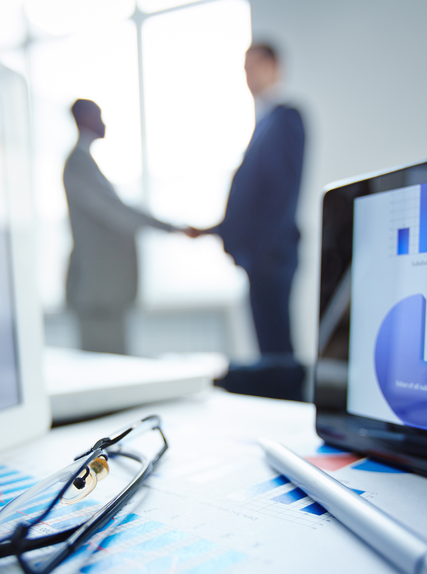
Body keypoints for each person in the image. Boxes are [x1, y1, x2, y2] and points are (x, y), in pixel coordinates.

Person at [190, 43, 305, 358]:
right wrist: (216, 230)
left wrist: (260, 250)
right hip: (261, 257)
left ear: (274, 67)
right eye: (244, 69)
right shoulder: (264, 124)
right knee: (268, 345)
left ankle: (288, 404)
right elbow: (251, 199)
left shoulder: (286, 118)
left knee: (277, 348)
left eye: (253, 67)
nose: (248, 76)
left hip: (271, 256)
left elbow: (280, 194)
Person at [63, 99, 183, 355]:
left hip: (107, 291)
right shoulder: (78, 164)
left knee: (114, 362)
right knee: (102, 367)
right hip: (96, 289)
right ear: (84, 118)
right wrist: (170, 228)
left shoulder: (87, 165)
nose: (103, 123)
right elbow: (115, 213)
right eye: (99, 116)